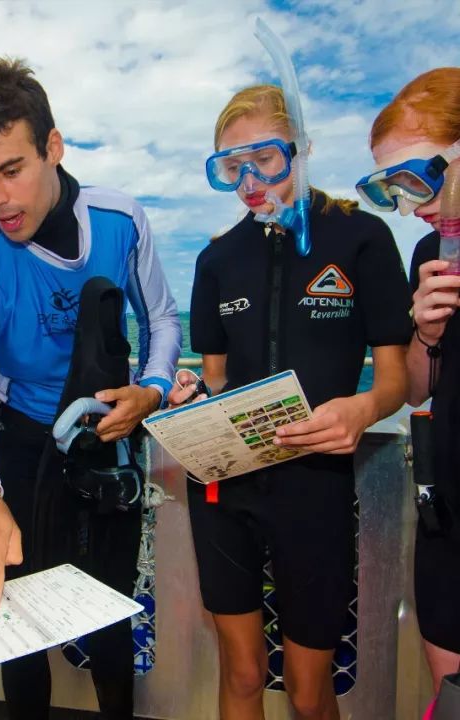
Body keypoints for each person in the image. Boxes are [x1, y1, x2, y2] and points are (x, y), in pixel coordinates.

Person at [0, 56, 181, 719]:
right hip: (26, 446)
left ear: (53, 147)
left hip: (113, 436)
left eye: (11, 169)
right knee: (19, 621)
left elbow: (161, 317)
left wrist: (151, 390)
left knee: (112, 610)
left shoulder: (120, 219)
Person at [169, 84, 410, 720]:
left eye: (264, 159)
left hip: (316, 487)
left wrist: (360, 411)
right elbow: (215, 381)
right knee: (243, 673)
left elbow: (396, 380)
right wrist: (191, 398)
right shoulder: (217, 258)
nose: (248, 180)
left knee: (309, 689)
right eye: (230, 166)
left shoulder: (361, 238)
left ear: (300, 149)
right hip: (227, 489)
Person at [361, 66, 460, 706]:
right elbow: (420, 391)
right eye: (391, 187)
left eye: (418, 177)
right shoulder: (430, 250)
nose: (409, 203)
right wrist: (423, 333)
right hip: (448, 515)